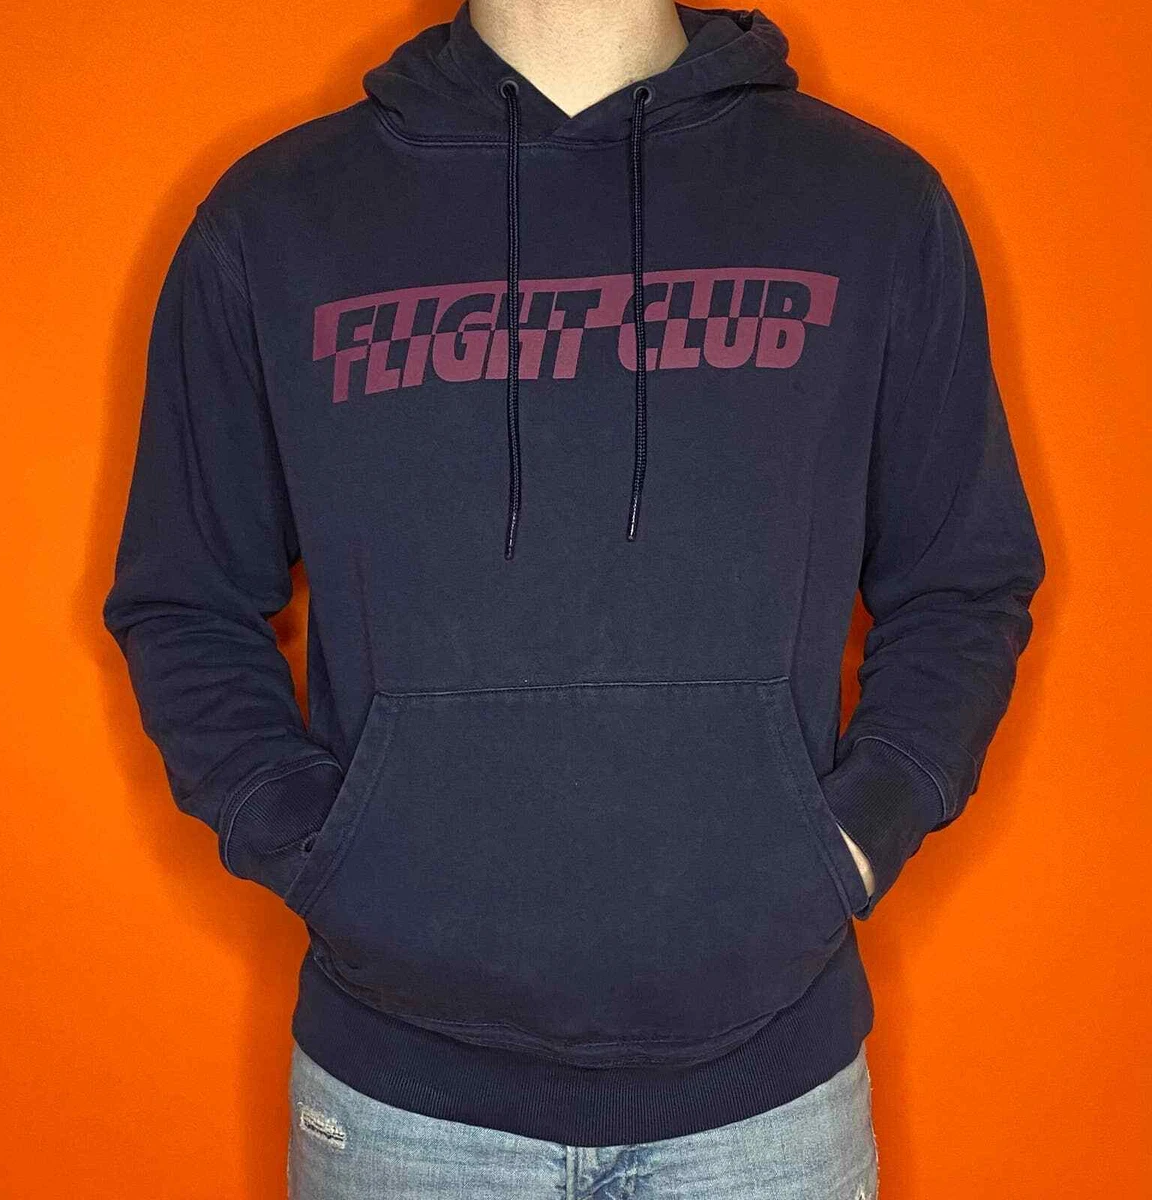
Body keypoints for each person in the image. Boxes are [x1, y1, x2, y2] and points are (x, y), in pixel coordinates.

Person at [101, 0, 1046, 1194]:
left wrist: (851, 839)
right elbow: (185, 599)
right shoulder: (280, 220)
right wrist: (320, 851)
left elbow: (962, 579)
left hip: (767, 1099)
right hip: (401, 1103)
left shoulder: (869, 207)